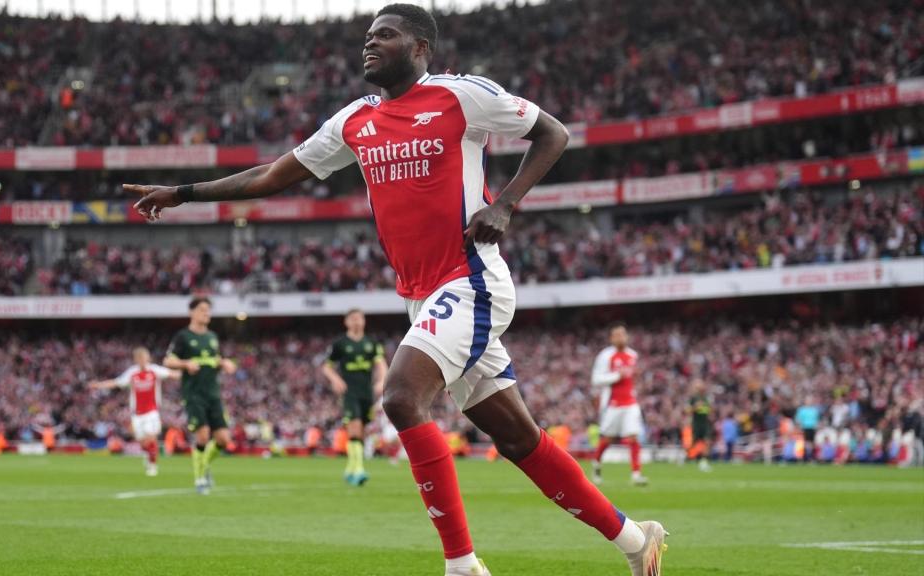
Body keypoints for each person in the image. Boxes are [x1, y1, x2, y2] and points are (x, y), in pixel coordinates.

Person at [127, 5, 667, 574]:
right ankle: (637, 540)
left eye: (384, 35)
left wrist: (505, 203)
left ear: (419, 48)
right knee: (517, 439)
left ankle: (462, 566)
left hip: (471, 281)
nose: (370, 43)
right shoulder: (354, 120)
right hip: (421, 297)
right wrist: (183, 193)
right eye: (367, 36)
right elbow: (270, 175)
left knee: (401, 396)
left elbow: (553, 132)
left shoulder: (462, 95)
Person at [163, 297, 237, 494]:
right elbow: (168, 361)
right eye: (203, 309)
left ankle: (205, 465)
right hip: (194, 393)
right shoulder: (183, 336)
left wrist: (224, 363)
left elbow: (214, 359)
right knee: (203, 435)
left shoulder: (212, 336)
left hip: (213, 393)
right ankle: (200, 479)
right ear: (192, 312)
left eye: (208, 310)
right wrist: (185, 364)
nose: (207, 313)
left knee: (223, 439)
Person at [321, 308, 388, 486]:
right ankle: (359, 470)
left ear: (364, 321)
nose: (357, 321)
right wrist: (336, 380)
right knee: (355, 427)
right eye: (353, 319)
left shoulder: (371, 343)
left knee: (362, 431)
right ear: (347, 322)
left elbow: (381, 364)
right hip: (349, 392)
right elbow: (326, 367)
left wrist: (381, 381)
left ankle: (350, 468)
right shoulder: (340, 344)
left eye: (360, 318)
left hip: (367, 392)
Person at [89, 347, 180, 476]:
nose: (142, 360)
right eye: (139, 358)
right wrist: (98, 385)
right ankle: (148, 454)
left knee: (151, 438)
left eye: (144, 357)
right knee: (143, 443)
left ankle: (152, 466)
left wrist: (189, 373)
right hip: (137, 414)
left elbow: (173, 374)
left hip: (152, 412)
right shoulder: (132, 373)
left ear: (148, 358)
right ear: (136, 360)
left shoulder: (154, 370)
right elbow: (116, 382)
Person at [590, 323, 649, 486]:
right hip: (612, 403)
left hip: (630, 402)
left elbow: (633, 377)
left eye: (623, 334)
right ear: (611, 338)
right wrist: (617, 376)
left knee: (633, 436)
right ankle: (596, 464)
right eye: (617, 335)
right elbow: (596, 379)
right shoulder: (605, 356)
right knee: (608, 438)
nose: (620, 337)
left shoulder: (633, 355)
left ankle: (636, 474)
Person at [686, 379, 713, 472]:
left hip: (705, 423)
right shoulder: (693, 398)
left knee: (707, 441)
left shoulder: (706, 398)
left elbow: (708, 410)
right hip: (696, 424)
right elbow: (687, 410)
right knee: (693, 443)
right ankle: (686, 457)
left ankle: (704, 461)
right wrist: (695, 407)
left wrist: (708, 410)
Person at [795, 396, 821, 463]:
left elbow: (817, 420)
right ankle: (805, 457)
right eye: (807, 400)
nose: (809, 402)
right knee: (805, 443)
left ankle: (811, 457)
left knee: (812, 443)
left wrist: (817, 426)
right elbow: (798, 419)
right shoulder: (802, 410)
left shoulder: (814, 410)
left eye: (810, 400)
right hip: (804, 428)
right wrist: (799, 426)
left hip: (812, 428)